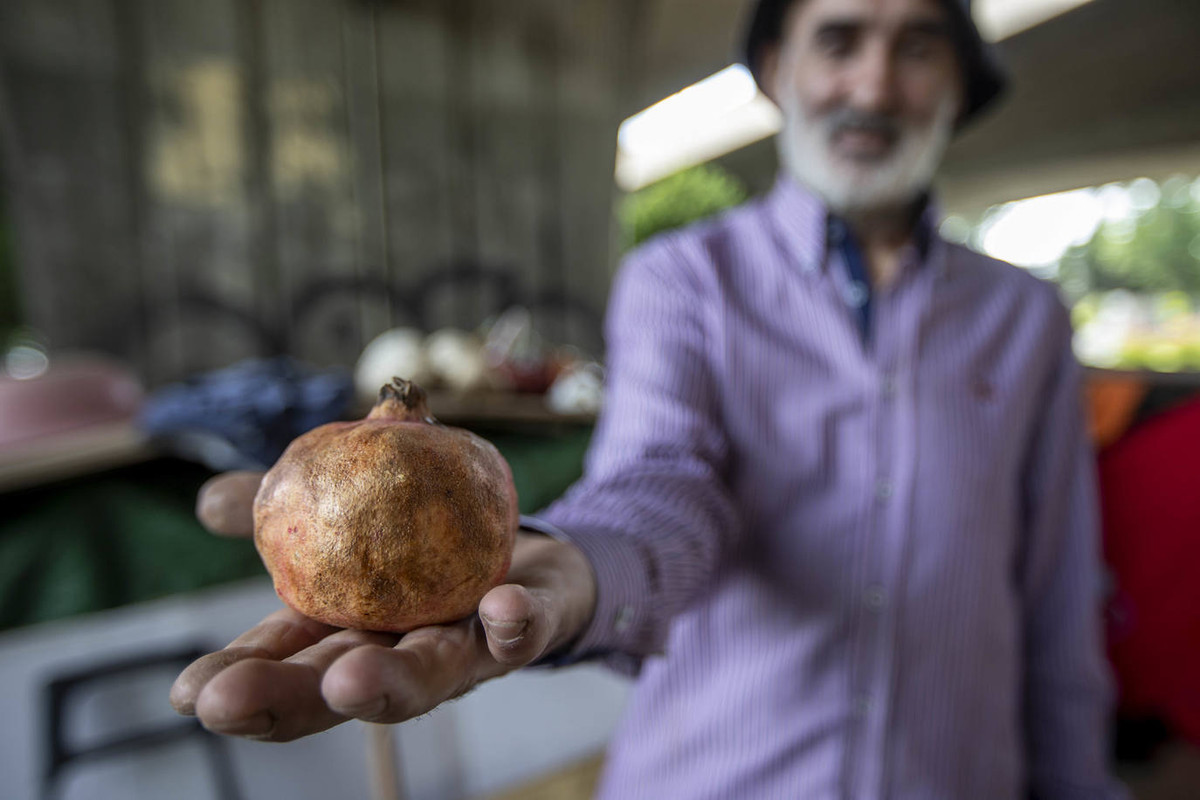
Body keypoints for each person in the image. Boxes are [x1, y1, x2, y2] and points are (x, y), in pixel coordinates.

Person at [172, 0, 1130, 796]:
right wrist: (577, 566)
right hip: (721, 775)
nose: (874, 86)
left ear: (956, 84)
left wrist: (1079, 781)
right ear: (775, 71)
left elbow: (1055, 587)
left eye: (918, 47)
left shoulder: (1026, 316)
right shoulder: (684, 280)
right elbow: (664, 479)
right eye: (839, 40)